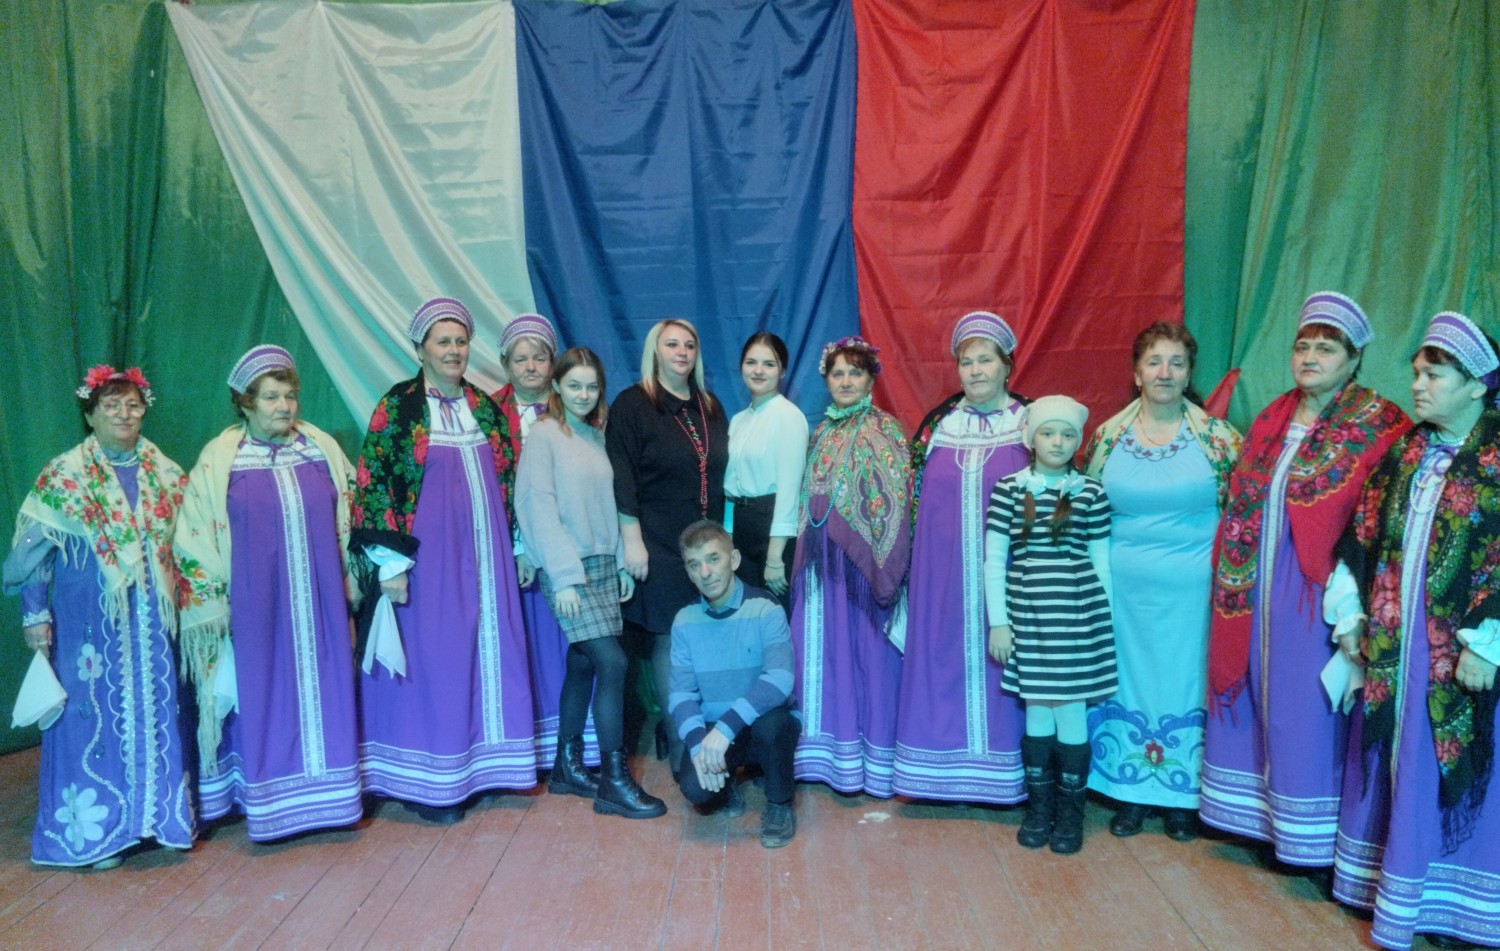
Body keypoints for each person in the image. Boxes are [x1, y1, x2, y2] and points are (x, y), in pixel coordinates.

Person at [1201, 292, 1409, 867]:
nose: (1310, 357)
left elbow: (1381, 523)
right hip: (1253, 582)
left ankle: (1309, 837)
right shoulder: (1273, 416)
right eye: (1303, 346)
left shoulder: (1380, 423)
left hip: (1319, 590)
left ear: (1354, 358)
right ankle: (1252, 819)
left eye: (1326, 348)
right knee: (1253, 687)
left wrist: (1354, 601)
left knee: (1308, 707)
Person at [1328, 312, 1500, 951]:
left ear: (1477, 385)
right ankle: (1399, 892)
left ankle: (1463, 908)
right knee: (1404, 760)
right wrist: (1352, 614)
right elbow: (1364, 534)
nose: (1418, 385)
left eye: (1435, 376)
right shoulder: (1407, 451)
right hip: (1400, 651)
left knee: (1459, 767)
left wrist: (1488, 643)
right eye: (1417, 373)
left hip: (1467, 655)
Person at [351, 298, 536, 823]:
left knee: (484, 651)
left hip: (487, 559)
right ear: (420, 349)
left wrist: (518, 547)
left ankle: (483, 769)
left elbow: (509, 481)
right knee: (436, 660)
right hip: (427, 561)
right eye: (443, 342)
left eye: (460, 342)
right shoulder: (399, 407)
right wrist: (390, 565)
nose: (454, 351)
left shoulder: (484, 407)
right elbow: (375, 481)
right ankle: (433, 782)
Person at [3, 365, 194, 868]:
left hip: (151, 624)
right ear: (90, 415)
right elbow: (34, 555)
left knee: (156, 712)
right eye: (111, 406)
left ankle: (154, 822)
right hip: (87, 623)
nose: (124, 415)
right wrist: (35, 614)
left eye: (132, 405)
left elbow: (189, 545)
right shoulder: (63, 476)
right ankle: (95, 835)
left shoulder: (167, 474)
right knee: (89, 719)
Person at [174, 346, 363, 841]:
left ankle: (332, 800)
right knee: (263, 694)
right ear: (246, 403)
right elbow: (194, 536)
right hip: (256, 607)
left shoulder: (319, 448)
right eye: (272, 397)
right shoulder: (221, 461)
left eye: (290, 396)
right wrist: (214, 605)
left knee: (327, 687)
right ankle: (271, 805)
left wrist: (352, 581)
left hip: (321, 602)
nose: (285, 406)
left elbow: (351, 514)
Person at [1082, 323, 1242, 841]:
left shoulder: (1220, 440)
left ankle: (1184, 798)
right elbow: (1087, 511)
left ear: (1190, 373)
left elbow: (1242, 515)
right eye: (1154, 362)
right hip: (1123, 595)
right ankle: (1129, 792)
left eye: (1176, 362)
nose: (1165, 372)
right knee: (1126, 684)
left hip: (1196, 593)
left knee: (1186, 684)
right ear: (1137, 373)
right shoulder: (1106, 438)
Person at [515, 347, 664, 819]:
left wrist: (619, 563)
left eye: (592, 386)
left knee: (582, 663)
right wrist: (563, 577)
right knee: (612, 663)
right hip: (569, 569)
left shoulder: (597, 435)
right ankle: (614, 782)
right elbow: (537, 506)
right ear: (556, 386)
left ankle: (567, 766)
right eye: (574, 385)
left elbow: (611, 505)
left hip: (602, 565)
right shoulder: (544, 435)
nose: (583, 394)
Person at [893, 311, 1030, 804]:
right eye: (967, 362)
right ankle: (939, 773)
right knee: (942, 664)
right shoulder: (939, 427)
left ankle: (1006, 774)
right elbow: (912, 504)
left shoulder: (1030, 424)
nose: (975, 370)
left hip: (1012, 579)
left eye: (985, 360)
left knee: (1006, 671)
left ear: (1006, 366)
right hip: (942, 580)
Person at [984, 395, 1115, 854]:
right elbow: (994, 559)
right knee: (1038, 708)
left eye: (1067, 435)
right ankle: (1039, 811)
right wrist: (999, 623)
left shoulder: (1091, 492)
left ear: (1078, 441)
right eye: (1047, 432)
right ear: (1031, 438)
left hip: (1077, 616)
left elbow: (1100, 559)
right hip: (1028, 613)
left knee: (1071, 710)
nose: (1057, 442)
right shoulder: (1009, 489)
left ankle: (1069, 817)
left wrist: (1104, 622)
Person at [789, 336, 913, 798]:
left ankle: (873, 765)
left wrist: (871, 559)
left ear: (870, 380)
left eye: (854, 373)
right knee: (822, 656)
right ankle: (823, 758)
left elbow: (894, 503)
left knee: (867, 660)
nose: (845, 381)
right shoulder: (821, 432)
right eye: (837, 373)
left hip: (862, 575)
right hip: (820, 572)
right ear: (826, 380)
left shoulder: (886, 430)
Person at [607, 319, 728, 768]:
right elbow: (622, 475)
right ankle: (682, 749)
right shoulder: (633, 404)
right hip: (656, 540)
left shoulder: (709, 405)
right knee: (669, 638)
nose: (681, 352)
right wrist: (631, 541)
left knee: (704, 635)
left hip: (703, 543)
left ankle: (702, 734)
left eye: (689, 345)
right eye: (672, 344)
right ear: (654, 352)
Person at [491, 314, 596, 771]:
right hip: (515, 552)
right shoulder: (488, 414)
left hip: (572, 547)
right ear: (505, 364)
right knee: (525, 644)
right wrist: (521, 547)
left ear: (553, 364)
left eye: (539, 358)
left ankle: (578, 744)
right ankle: (529, 743)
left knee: (571, 644)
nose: (531, 367)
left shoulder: (575, 408)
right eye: (521, 359)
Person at [669, 520, 800, 848]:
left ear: (735, 560)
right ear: (688, 572)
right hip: (716, 730)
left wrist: (725, 728)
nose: (705, 572)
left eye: (714, 559)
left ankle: (780, 804)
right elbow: (682, 694)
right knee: (695, 789)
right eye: (694, 564)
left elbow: (780, 679)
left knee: (775, 726)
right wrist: (698, 746)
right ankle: (726, 784)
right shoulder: (684, 620)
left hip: (758, 724)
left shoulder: (766, 608)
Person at [724, 332, 808, 609]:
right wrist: (728, 536)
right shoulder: (738, 420)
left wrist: (775, 557)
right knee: (745, 612)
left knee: (774, 613)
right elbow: (730, 485)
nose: (758, 371)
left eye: (769, 364)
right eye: (751, 362)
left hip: (772, 530)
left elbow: (789, 490)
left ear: (782, 371)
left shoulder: (789, 416)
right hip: (741, 526)